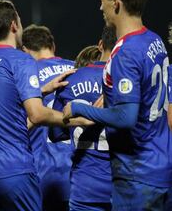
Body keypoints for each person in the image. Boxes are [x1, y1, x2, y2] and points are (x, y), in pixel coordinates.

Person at [0, 0, 89, 211]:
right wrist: (77, 118)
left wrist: (39, 90)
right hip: (11, 169)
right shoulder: (20, 59)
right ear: (14, 25)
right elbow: (37, 115)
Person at [63, 0, 172, 210]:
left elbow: (126, 117)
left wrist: (80, 108)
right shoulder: (155, 40)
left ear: (116, 3)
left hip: (137, 174)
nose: (100, 7)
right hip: (161, 166)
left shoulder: (125, 52)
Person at [51, 26, 117, 211]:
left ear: (100, 45)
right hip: (121, 184)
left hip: (84, 185)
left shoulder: (70, 80)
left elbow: (57, 133)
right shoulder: (128, 82)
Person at [21, 24, 74, 211]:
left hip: (41, 175)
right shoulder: (77, 69)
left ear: (25, 51)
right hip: (81, 173)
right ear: (53, 46)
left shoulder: (25, 73)